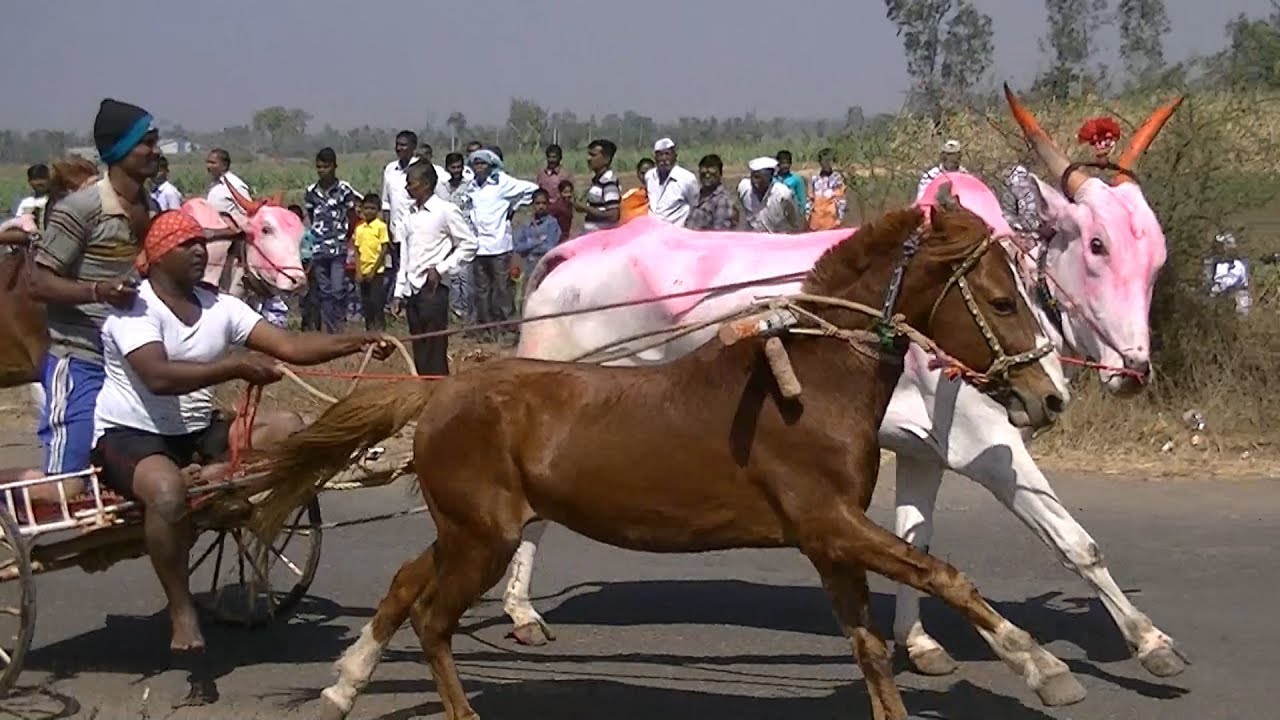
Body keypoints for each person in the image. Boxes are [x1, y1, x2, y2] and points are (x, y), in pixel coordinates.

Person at [91, 208, 393, 678]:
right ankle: (181, 609)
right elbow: (157, 376)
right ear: (157, 256)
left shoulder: (221, 307)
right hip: (131, 435)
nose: (199, 251)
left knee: (288, 427)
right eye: (186, 245)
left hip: (196, 429)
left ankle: (211, 482)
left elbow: (290, 347)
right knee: (168, 493)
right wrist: (234, 366)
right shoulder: (136, 308)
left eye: (200, 244)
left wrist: (358, 342)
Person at [29, 98, 160, 497]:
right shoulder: (81, 209)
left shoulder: (147, 206)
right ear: (120, 151)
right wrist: (97, 291)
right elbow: (38, 283)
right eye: (147, 143)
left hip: (129, 359)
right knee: (66, 488)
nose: (155, 151)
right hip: (80, 358)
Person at [393, 163, 478, 375]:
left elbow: (469, 244)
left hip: (433, 289)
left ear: (426, 184)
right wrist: (398, 291)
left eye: (411, 183)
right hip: (413, 290)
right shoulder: (409, 214)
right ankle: (424, 394)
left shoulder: (445, 211)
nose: (407, 188)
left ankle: (439, 395)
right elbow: (406, 255)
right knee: (419, 349)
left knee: (435, 349)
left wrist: (441, 268)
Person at [464, 147, 538, 345]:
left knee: (503, 289)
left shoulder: (502, 183)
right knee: (482, 291)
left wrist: (512, 207)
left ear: (491, 165)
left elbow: (531, 190)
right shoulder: (471, 187)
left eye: (482, 163)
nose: (478, 167)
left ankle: (509, 330)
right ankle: (487, 330)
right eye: (475, 163)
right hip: (478, 247)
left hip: (499, 246)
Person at [303, 147, 362, 334]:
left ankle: (338, 324)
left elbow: (352, 216)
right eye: (319, 167)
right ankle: (331, 331)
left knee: (338, 289)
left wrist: (344, 237)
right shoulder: (311, 192)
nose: (322, 170)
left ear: (334, 166)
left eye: (326, 166)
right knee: (324, 292)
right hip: (319, 248)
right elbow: (312, 216)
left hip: (338, 248)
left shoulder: (344, 190)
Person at [381, 131, 420, 300]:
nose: (399, 148)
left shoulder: (421, 168)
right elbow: (386, 202)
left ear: (413, 147)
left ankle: (415, 301)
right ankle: (399, 302)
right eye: (398, 144)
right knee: (399, 267)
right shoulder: (390, 170)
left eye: (404, 145)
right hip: (396, 229)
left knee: (416, 266)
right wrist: (387, 227)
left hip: (418, 228)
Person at [353, 194, 391, 331]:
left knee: (377, 302)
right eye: (366, 208)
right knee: (366, 302)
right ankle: (369, 330)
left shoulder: (380, 227)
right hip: (362, 271)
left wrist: (373, 270)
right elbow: (356, 250)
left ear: (378, 210)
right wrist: (358, 271)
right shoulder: (359, 228)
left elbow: (384, 249)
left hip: (376, 272)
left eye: (373, 208)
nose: (369, 211)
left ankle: (381, 329)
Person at [644, 137, 699, 226]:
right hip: (652, 232)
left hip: (676, 234)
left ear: (675, 156)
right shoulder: (650, 176)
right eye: (660, 155)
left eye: (667, 154)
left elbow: (695, 206)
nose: (664, 159)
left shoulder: (687, 179)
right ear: (655, 158)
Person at [738, 157, 801, 233]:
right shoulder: (744, 188)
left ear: (770, 176)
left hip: (778, 237)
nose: (755, 181)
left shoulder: (783, 194)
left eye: (759, 177)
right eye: (753, 177)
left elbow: (794, 218)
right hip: (754, 238)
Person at [513, 188, 561, 279]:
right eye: (538, 203)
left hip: (546, 268)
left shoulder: (552, 223)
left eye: (544, 203)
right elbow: (518, 247)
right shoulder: (526, 223)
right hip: (529, 268)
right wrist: (537, 241)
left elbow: (549, 247)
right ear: (533, 204)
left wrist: (529, 245)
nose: (541, 206)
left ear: (548, 204)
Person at [577, 139, 621, 234]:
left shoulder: (609, 182)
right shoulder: (597, 180)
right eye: (589, 155)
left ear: (607, 159)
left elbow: (613, 215)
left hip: (601, 237)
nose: (588, 159)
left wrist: (585, 208)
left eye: (593, 155)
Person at [685, 154, 736, 231]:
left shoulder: (722, 200)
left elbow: (719, 232)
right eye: (703, 174)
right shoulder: (697, 195)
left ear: (720, 174)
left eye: (712, 174)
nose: (707, 176)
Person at [204, 148, 252, 217]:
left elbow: (248, 212)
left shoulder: (236, 185)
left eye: (213, 163)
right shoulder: (214, 184)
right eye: (208, 162)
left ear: (224, 165)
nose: (208, 166)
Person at [808, 148, 847, 230]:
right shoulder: (814, 177)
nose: (826, 163)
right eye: (824, 161)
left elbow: (841, 199)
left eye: (829, 160)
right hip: (816, 220)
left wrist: (840, 218)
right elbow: (810, 198)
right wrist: (807, 215)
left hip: (831, 220)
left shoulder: (837, 178)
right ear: (820, 162)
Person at [774, 150, 808, 221]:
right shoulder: (773, 180)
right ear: (777, 164)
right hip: (776, 216)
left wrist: (800, 216)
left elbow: (802, 200)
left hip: (793, 216)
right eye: (783, 163)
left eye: (787, 163)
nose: (785, 166)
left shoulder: (796, 179)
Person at [620, 158, 654, 224]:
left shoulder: (664, 193)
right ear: (637, 174)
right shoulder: (631, 195)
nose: (646, 176)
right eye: (642, 173)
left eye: (649, 172)